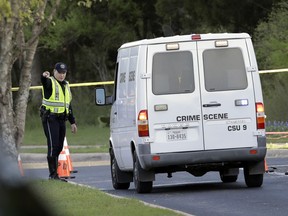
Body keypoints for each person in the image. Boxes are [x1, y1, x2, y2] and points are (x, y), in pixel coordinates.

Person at [40, 62, 77, 181]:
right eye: (59, 72)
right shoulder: (50, 82)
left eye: (64, 73)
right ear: (54, 71)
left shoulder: (66, 85)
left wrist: (72, 122)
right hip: (50, 118)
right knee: (53, 145)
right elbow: (44, 83)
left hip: (62, 119)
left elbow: (68, 105)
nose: (62, 75)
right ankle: (53, 175)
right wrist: (43, 76)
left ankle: (55, 174)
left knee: (59, 146)